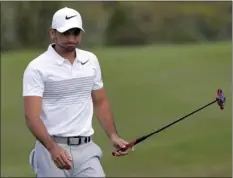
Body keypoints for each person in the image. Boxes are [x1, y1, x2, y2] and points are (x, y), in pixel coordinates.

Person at [23, 7, 133, 177]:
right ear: (53, 33)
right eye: (66, 33)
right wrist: (52, 148)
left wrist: (113, 136)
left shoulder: (90, 61)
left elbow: (100, 101)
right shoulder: (37, 67)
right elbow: (32, 116)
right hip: (51, 150)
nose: (71, 39)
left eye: (76, 33)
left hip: (87, 149)